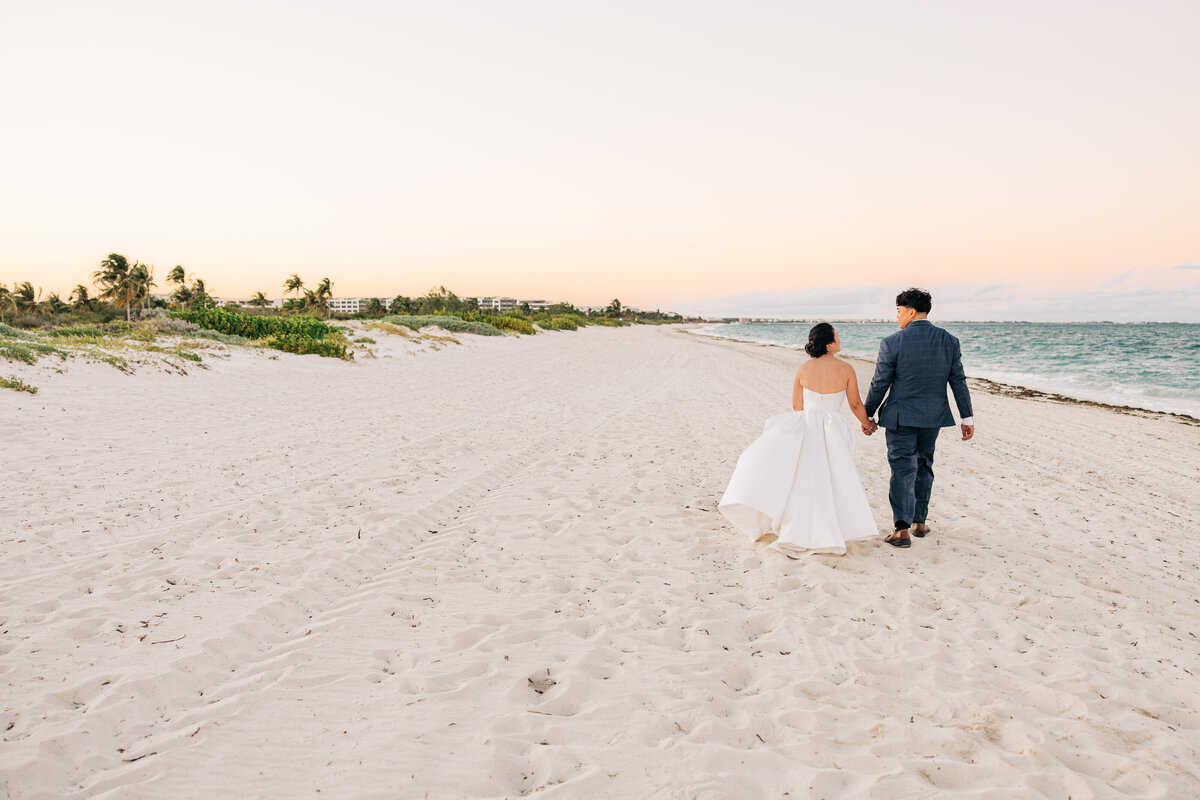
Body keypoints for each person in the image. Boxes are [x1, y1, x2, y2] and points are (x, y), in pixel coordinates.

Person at [719, 323, 879, 556]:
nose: (840, 339)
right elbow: (855, 404)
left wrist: (807, 422)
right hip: (832, 428)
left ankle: (797, 523)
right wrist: (867, 424)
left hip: (807, 425)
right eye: (837, 335)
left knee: (804, 476)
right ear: (829, 343)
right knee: (832, 476)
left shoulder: (804, 369)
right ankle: (831, 527)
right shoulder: (845, 368)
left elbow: (797, 406)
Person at [864, 288, 974, 548]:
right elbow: (957, 380)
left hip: (900, 417)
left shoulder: (892, 342)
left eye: (900, 312)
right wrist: (966, 417)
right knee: (924, 464)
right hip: (933, 416)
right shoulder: (949, 341)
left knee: (902, 468)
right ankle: (920, 522)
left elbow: (880, 382)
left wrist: (867, 413)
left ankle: (901, 529)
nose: (898, 317)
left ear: (911, 312)